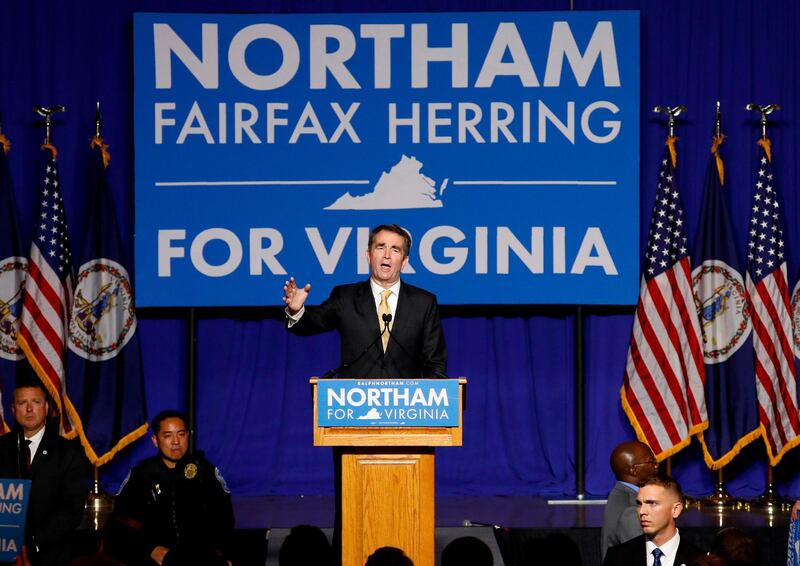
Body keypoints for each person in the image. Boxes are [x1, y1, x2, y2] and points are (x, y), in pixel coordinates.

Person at [283, 223, 447, 379]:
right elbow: (313, 323)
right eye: (380, 247)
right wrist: (296, 311)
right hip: (354, 402)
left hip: (407, 405)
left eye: (395, 250)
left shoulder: (423, 303)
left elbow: (436, 364)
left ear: (404, 262)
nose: (387, 255)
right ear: (368, 255)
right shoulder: (345, 297)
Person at [111, 410, 234, 566]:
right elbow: (123, 521)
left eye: (181, 434)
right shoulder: (141, 475)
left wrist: (222, 554)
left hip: (200, 556)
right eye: (167, 436)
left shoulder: (205, 472)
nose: (176, 442)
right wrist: (150, 548)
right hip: (156, 556)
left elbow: (224, 518)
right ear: (155, 440)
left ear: (188, 436)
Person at [0, 377, 88, 566]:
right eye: (23, 403)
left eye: (36, 402)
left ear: (46, 408)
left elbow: (72, 509)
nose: (29, 409)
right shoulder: (1, 447)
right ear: (13, 409)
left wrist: (32, 543)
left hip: (50, 555)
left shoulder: (70, 452)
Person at [603, 473, 703, 566]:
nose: (642, 511)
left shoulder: (700, 560)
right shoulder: (617, 557)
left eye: (652, 503)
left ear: (676, 510)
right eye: (639, 503)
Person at [601, 440, 658, 558]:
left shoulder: (621, 494)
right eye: (651, 462)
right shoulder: (632, 508)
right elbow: (642, 558)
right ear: (634, 470)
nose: (656, 466)